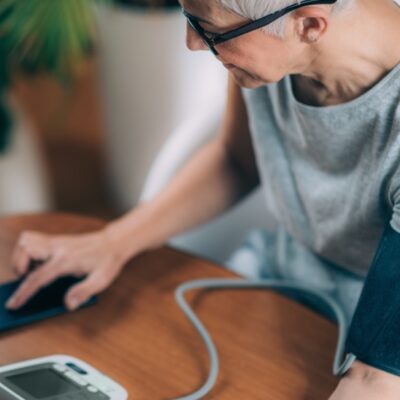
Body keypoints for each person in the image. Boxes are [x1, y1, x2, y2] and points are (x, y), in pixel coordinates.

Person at [5, 0, 400, 397]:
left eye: (209, 28)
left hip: (371, 344)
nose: (193, 42)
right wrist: (112, 242)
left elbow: (374, 378)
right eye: (189, 15)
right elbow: (235, 162)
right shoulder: (271, 50)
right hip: (276, 278)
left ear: (310, 25)